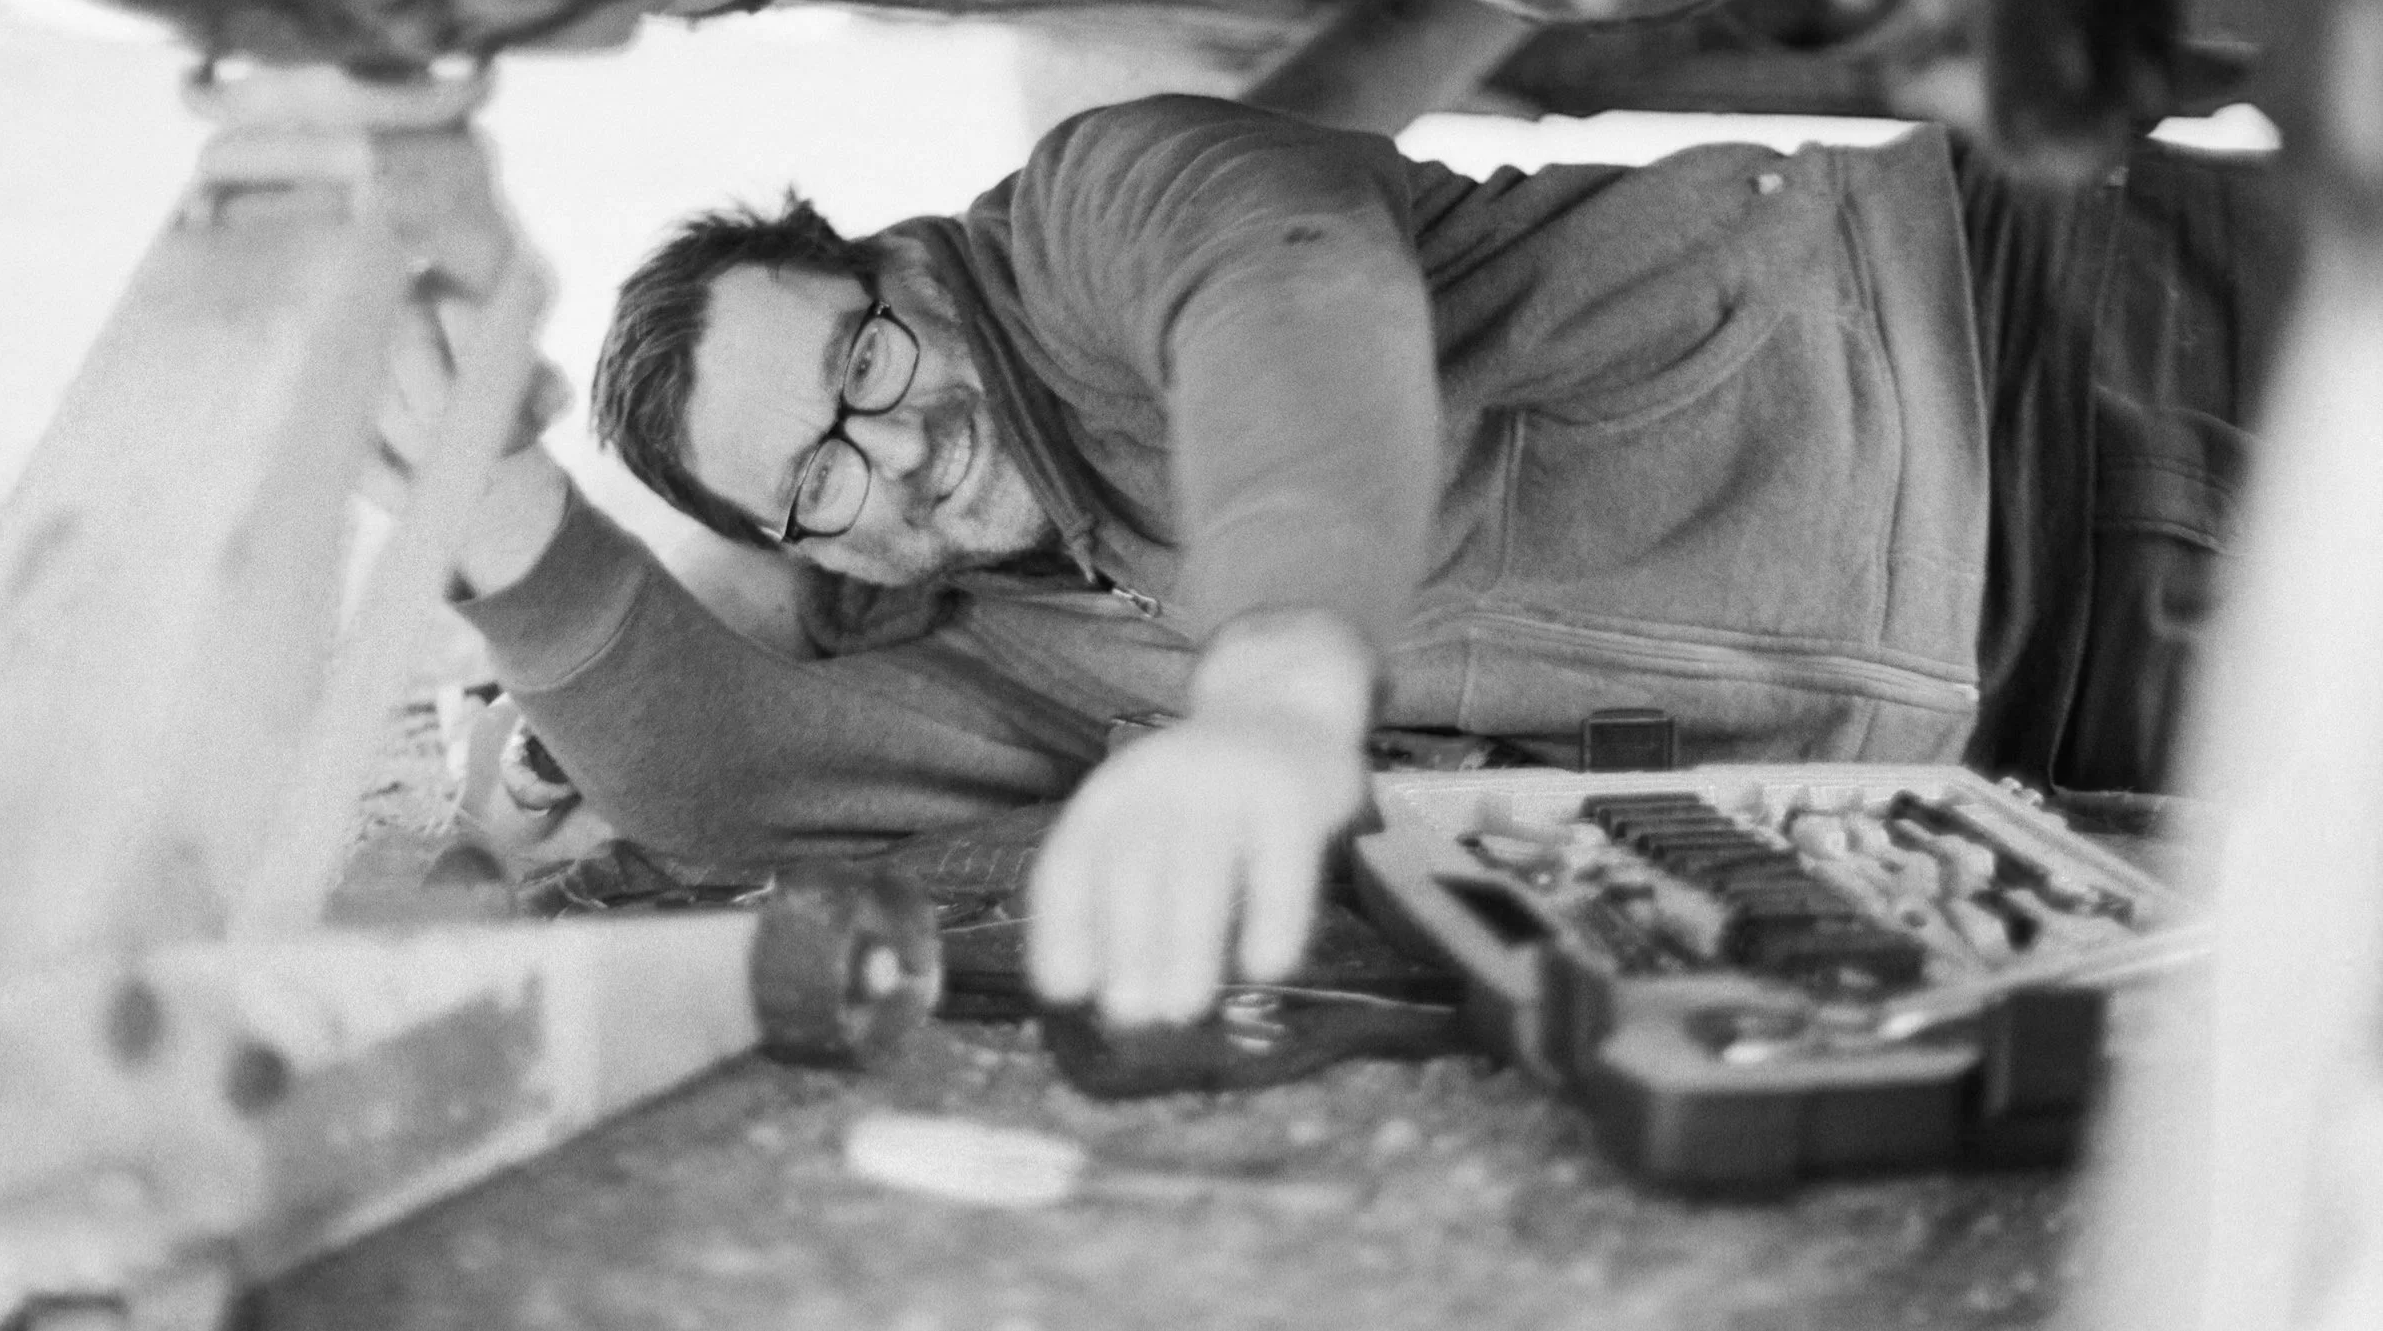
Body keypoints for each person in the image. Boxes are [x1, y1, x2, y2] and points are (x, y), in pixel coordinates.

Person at [380, 94, 2296, 1025]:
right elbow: (728, 778)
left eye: (866, 361)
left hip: (2064, 318)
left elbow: (1288, 300)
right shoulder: (986, 655)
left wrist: (1280, 693)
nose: (894, 449)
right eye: (812, 484)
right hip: (2047, 708)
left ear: (898, 268)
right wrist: (495, 517)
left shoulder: (1093, 213)